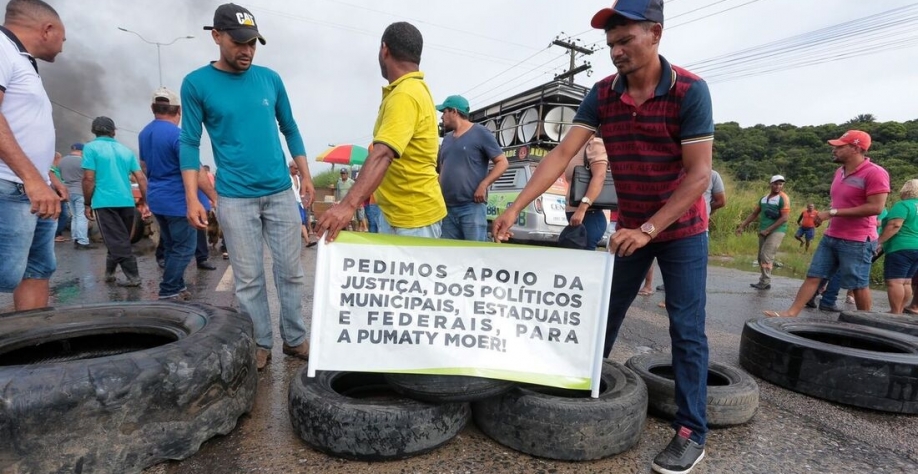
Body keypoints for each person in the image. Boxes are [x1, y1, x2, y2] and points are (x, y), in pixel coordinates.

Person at [493, 2, 714, 472]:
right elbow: (559, 155)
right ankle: (581, 388)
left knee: (687, 328)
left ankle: (693, 429)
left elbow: (698, 177)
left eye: (625, 40)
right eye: (610, 44)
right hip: (630, 228)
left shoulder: (691, 91)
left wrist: (649, 228)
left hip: (681, 229)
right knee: (601, 316)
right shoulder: (602, 94)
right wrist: (514, 206)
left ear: (655, 33)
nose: (616, 51)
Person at [180, 3, 314, 370]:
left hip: (279, 192)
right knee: (248, 279)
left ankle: (295, 338)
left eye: (253, 43)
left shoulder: (270, 79)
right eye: (240, 42)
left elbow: (291, 127)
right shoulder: (196, 84)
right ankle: (260, 342)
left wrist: (305, 176)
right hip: (235, 198)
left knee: (290, 272)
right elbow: (189, 142)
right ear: (217, 37)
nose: (248, 50)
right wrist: (193, 196)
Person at [316, 22, 446, 241]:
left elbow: (383, 154)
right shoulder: (412, 90)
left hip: (412, 220)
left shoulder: (405, 95)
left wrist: (347, 206)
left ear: (384, 49)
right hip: (399, 215)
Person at [764, 130, 890, 318]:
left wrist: (831, 213)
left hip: (858, 240)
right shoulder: (839, 172)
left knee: (857, 285)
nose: (834, 149)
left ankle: (867, 323)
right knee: (814, 275)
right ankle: (791, 313)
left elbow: (876, 207)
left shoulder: (875, 173)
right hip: (832, 236)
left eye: (840, 146)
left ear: (855, 148)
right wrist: (825, 216)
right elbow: (840, 203)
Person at [0, 0, 65, 310]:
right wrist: (31, 178)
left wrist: (47, 177)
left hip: (34, 188)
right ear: (47, 29)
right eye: (63, 39)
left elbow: (23, 125)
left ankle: (34, 351)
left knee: (37, 269)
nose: (63, 48)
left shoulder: (22, 60)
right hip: (9, 185)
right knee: (5, 273)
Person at [141, 87, 218, 300]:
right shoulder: (179, 135)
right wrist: (213, 196)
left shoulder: (144, 133)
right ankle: (169, 290)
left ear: (153, 108)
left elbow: (144, 165)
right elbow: (196, 170)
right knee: (184, 248)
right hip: (178, 201)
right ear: (179, 111)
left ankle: (179, 285)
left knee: (173, 245)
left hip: (157, 199)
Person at [82, 116, 148, 287]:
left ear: (94, 131)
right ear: (113, 131)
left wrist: (87, 203)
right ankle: (109, 273)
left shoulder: (90, 148)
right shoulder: (126, 151)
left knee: (117, 240)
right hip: (126, 201)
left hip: (105, 202)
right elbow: (141, 178)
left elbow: (89, 179)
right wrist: (146, 201)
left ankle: (134, 277)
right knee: (119, 238)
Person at [436, 94, 508, 241]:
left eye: (444, 112)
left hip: (471, 208)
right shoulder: (447, 139)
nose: (442, 117)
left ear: (454, 112)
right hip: (447, 210)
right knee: (450, 256)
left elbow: (503, 162)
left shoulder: (480, 133)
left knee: (474, 255)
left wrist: (484, 184)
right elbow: (443, 169)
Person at [656, 169, 725, 292]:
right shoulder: (676, 171)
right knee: (670, 257)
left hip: (697, 227)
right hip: (669, 223)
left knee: (692, 263)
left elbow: (721, 201)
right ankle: (669, 284)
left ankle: (689, 289)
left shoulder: (713, 175)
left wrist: (705, 211)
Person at [736, 175, 790, 290]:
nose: (778, 186)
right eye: (775, 183)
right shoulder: (764, 199)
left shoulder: (783, 198)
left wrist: (768, 230)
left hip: (777, 230)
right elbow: (754, 214)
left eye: (780, 184)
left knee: (766, 255)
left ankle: (765, 281)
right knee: (760, 257)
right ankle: (764, 280)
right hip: (763, 230)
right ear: (770, 184)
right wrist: (742, 226)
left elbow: (784, 218)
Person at [877, 179, 918, 313]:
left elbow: (895, 225)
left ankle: (895, 312)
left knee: (895, 281)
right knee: (906, 281)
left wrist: (879, 241)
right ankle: (899, 310)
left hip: (901, 247)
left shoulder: (904, 205)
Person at [562, 135, 608, 250]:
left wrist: (581, 209)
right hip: (575, 212)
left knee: (585, 259)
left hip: (589, 214)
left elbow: (600, 176)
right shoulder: (576, 147)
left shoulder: (594, 144)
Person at [58, 143, 96, 249]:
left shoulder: (62, 161)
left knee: (74, 216)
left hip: (68, 192)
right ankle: (83, 241)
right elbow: (89, 177)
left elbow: (60, 175)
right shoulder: (83, 161)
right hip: (81, 191)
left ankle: (75, 238)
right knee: (82, 216)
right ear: (82, 151)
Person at [290, 160, 316, 246]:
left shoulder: (297, 178)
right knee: (297, 222)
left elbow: (300, 190)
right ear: (290, 168)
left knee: (302, 222)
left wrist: (304, 199)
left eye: (298, 169)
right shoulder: (287, 178)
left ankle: (308, 241)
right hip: (291, 202)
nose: (297, 170)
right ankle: (297, 241)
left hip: (298, 202)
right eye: (295, 168)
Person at [49, 151, 70, 242]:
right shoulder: (51, 169)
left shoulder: (56, 169)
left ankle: (57, 234)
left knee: (62, 215)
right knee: (62, 215)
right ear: (56, 159)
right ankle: (55, 234)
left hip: (59, 194)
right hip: (57, 194)